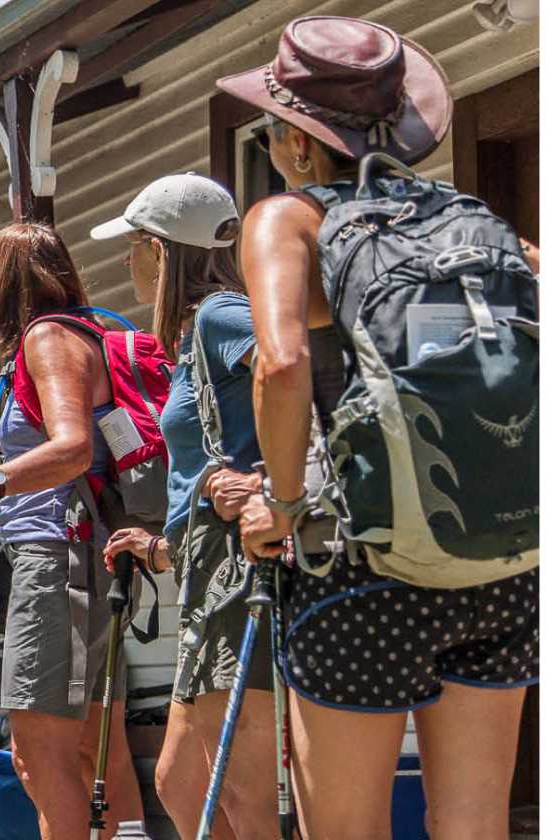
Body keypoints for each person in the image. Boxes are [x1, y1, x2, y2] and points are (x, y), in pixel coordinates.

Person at [219, 17, 538, 839]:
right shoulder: (472, 217)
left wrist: (284, 507)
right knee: (475, 826)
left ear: (295, 142)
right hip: (496, 556)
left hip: (360, 564)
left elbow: (282, 364)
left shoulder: (291, 219)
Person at [0, 223, 144, 839]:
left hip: (56, 566)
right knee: (99, 752)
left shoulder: (47, 339)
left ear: (1, 287)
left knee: (38, 754)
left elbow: (72, 448)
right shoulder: (89, 333)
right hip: (91, 556)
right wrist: (4, 512)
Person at [93, 173, 276, 839]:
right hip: (206, 565)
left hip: (236, 568)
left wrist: (266, 486)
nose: (127, 259)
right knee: (180, 779)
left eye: (136, 243)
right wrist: (162, 544)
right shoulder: (198, 334)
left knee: (242, 786)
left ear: (165, 251)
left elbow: (301, 371)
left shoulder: (220, 316)